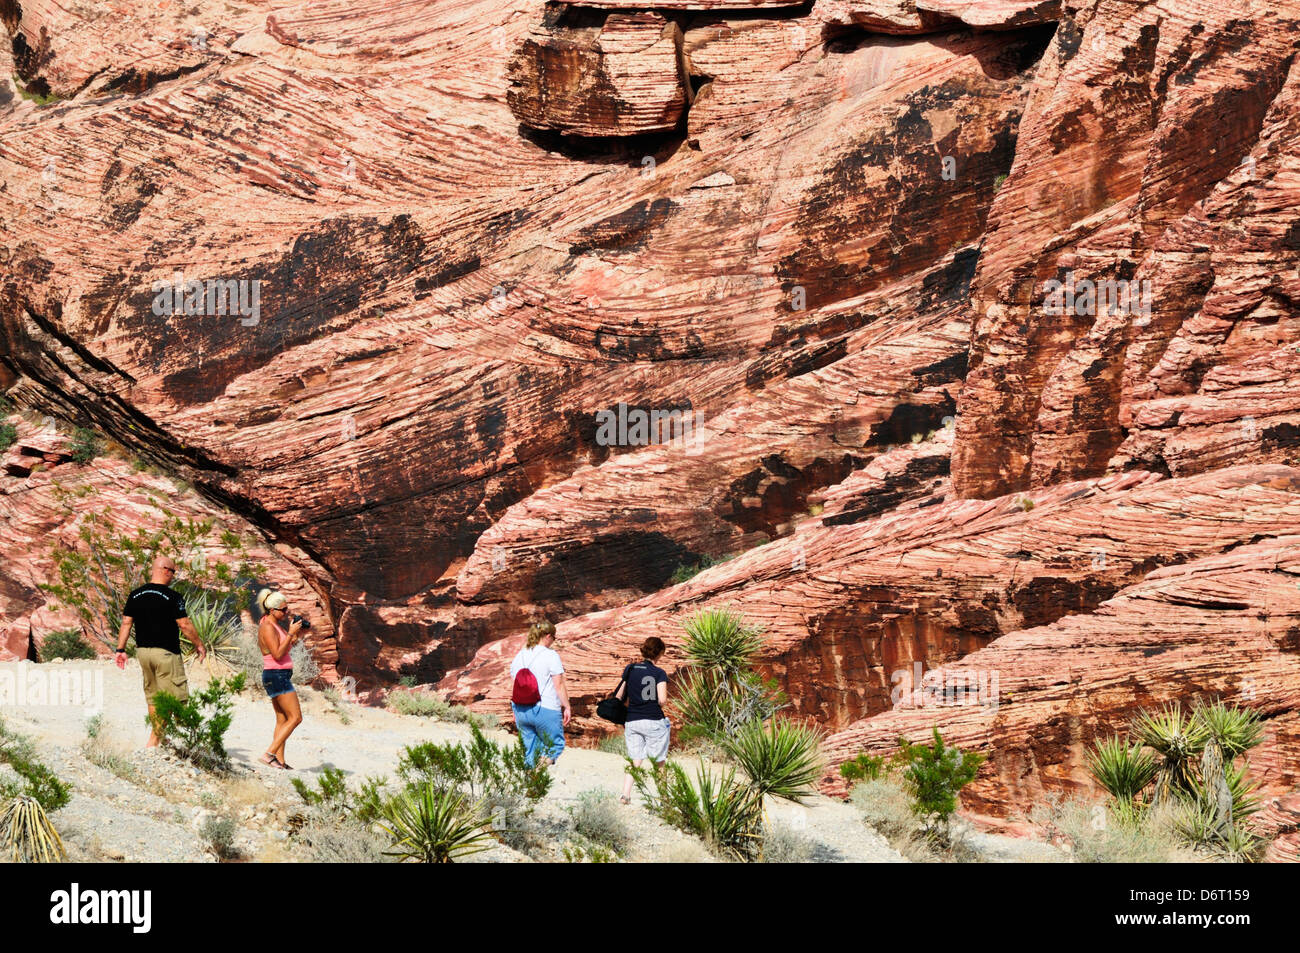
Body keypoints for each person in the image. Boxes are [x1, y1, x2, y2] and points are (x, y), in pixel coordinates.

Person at [115, 555, 207, 748]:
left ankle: (160, 736)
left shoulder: (135, 594)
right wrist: (198, 644)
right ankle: (153, 742)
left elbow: (126, 623)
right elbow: (184, 624)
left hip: (143, 653)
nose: (173, 575)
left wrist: (120, 649)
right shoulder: (173, 597)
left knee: (153, 696)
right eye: (173, 571)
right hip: (166, 653)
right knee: (172, 697)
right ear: (165, 570)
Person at [615, 636, 670, 805]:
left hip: (632, 720)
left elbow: (619, 696)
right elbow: (662, 700)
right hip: (653, 719)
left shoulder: (630, 669)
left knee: (635, 758)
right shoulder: (659, 673)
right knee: (659, 761)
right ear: (659, 653)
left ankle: (625, 795)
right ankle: (663, 799)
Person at [255, 589, 306, 769]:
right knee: (296, 718)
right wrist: (291, 633)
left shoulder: (273, 623)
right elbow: (277, 654)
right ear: (272, 610)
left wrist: (296, 634)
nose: (286, 613)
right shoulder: (267, 626)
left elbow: (284, 648)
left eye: (287, 609)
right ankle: (269, 754)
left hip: (278, 675)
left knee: (283, 719)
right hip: (276, 675)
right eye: (283, 610)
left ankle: (280, 760)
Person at [509, 621, 570, 767]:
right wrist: (567, 706)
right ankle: (537, 776)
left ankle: (530, 787)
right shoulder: (551, 655)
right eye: (554, 638)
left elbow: (515, 683)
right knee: (555, 745)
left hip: (520, 709)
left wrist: (514, 710)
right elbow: (559, 685)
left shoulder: (519, 655)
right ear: (548, 636)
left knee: (530, 750)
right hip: (544, 708)